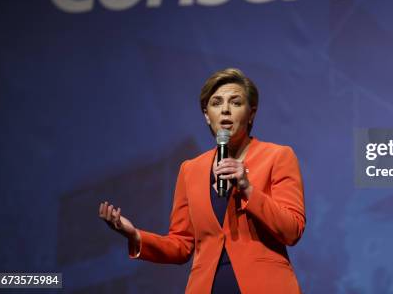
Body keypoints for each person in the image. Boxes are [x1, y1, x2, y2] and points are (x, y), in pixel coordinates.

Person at [98, 68, 306, 293]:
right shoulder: (190, 170)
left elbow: (292, 229)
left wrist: (248, 188)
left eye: (235, 103)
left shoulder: (277, 156)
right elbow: (181, 245)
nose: (225, 110)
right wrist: (135, 235)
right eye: (216, 103)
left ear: (251, 113)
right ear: (207, 115)